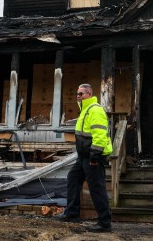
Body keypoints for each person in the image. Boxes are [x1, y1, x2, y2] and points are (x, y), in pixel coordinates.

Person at [56, 83, 113, 232]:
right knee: (73, 179)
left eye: (81, 94)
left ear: (89, 94)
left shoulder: (95, 110)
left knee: (96, 188)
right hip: (83, 157)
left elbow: (100, 135)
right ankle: (72, 213)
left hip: (92, 157)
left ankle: (104, 223)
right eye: (77, 94)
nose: (78, 96)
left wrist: (94, 156)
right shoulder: (85, 110)